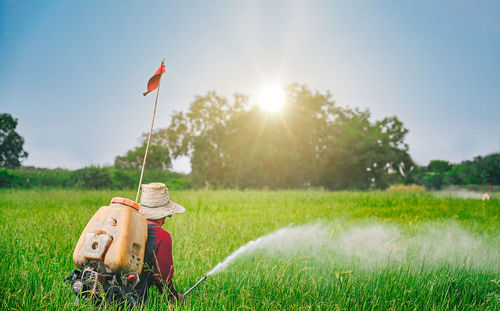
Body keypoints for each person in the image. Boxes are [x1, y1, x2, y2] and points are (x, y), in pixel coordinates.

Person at [135, 182, 186, 304]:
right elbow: (163, 277)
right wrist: (173, 297)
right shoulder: (162, 236)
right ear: (163, 214)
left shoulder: (128, 227)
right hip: (131, 301)